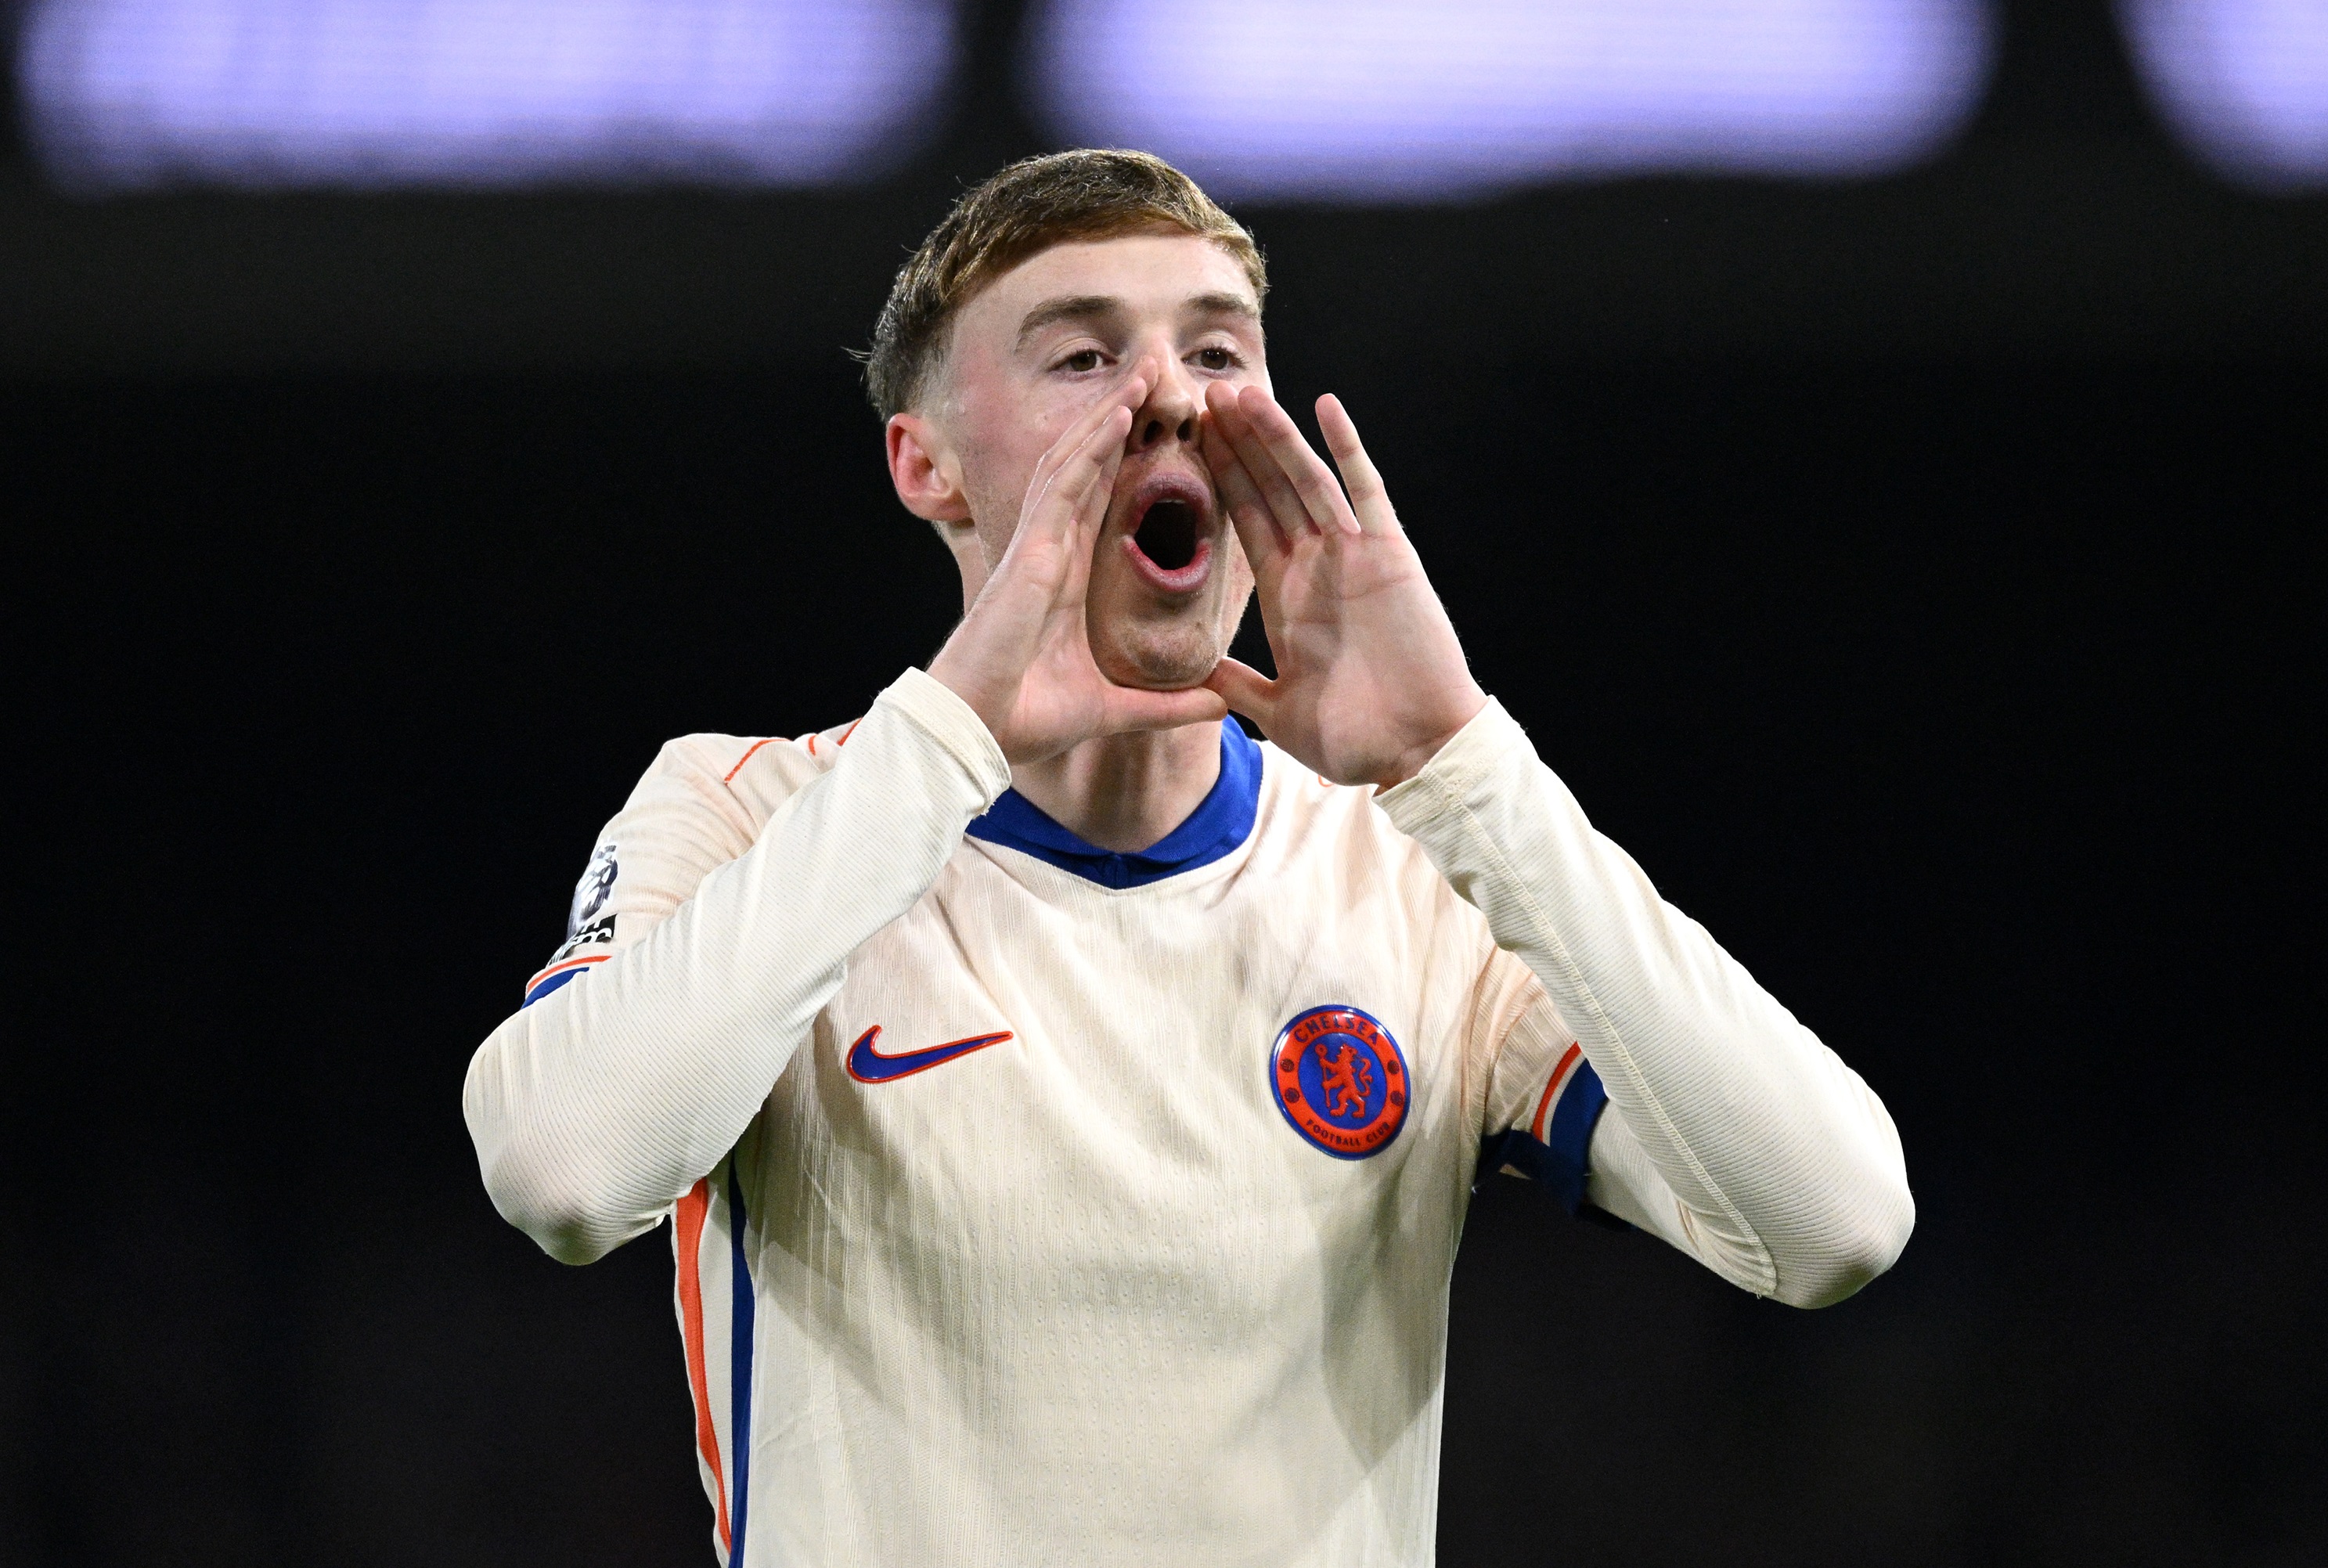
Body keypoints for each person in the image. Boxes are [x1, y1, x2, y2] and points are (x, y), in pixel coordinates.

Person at [463, 149, 1912, 1567]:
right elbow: (568, 1174)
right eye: (1081, 358)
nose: (1167, 397)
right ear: (926, 463)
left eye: (1216, 350)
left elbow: (1832, 1221)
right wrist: (947, 740)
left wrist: (1460, 763)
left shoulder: (1418, 875)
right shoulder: (754, 815)